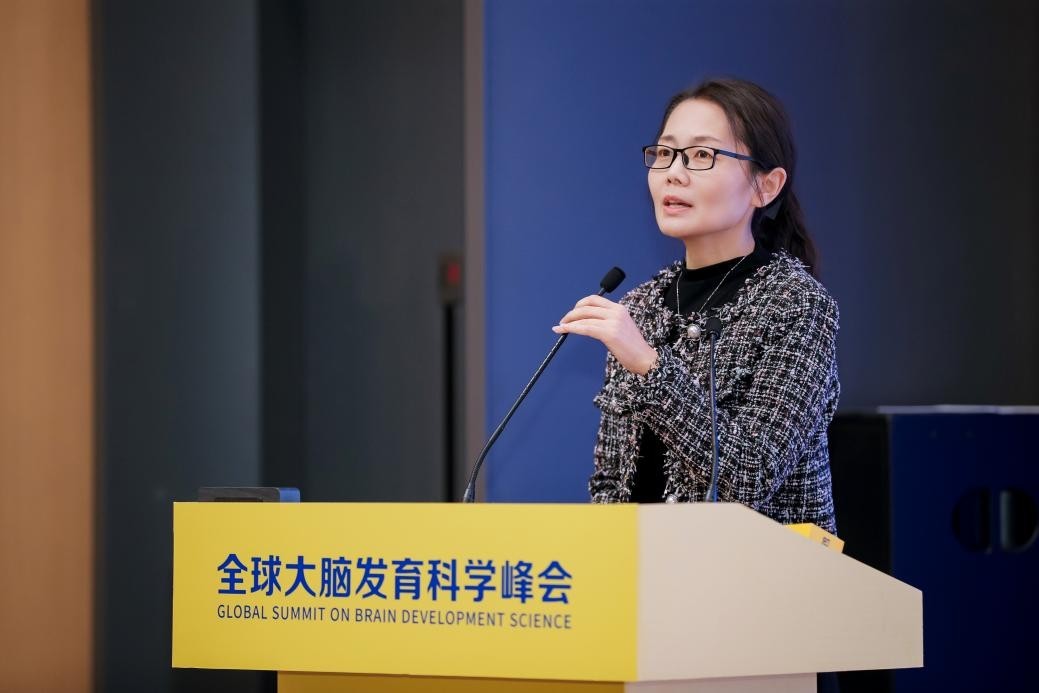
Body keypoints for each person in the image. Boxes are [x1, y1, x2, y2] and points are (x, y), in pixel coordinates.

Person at [552, 78, 839, 533]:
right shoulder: (640, 307)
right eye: (665, 153)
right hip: (645, 570)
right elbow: (610, 482)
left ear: (766, 186)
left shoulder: (796, 305)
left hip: (760, 571)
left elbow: (749, 477)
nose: (674, 172)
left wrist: (649, 366)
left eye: (702, 155)